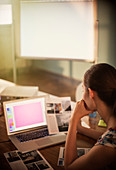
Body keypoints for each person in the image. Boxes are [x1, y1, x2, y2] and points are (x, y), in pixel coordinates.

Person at [64, 63, 116, 170]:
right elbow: (107, 136)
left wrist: (73, 121)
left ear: (91, 93)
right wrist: (81, 129)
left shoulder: (107, 148)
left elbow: (69, 167)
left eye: (83, 90)